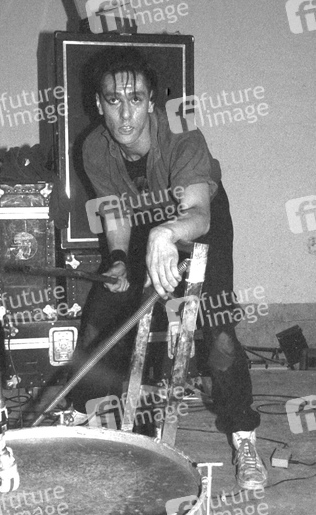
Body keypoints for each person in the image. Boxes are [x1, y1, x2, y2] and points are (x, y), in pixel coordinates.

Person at [66, 47, 267, 490]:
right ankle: (82, 414)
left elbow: (198, 213)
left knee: (217, 328)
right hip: (145, 223)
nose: (125, 114)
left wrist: (167, 234)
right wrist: (119, 258)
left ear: (151, 101)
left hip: (199, 221)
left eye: (135, 99)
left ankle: (243, 435)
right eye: (113, 100)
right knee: (101, 313)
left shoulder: (181, 135)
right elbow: (116, 214)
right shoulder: (93, 147)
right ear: (98, 103)